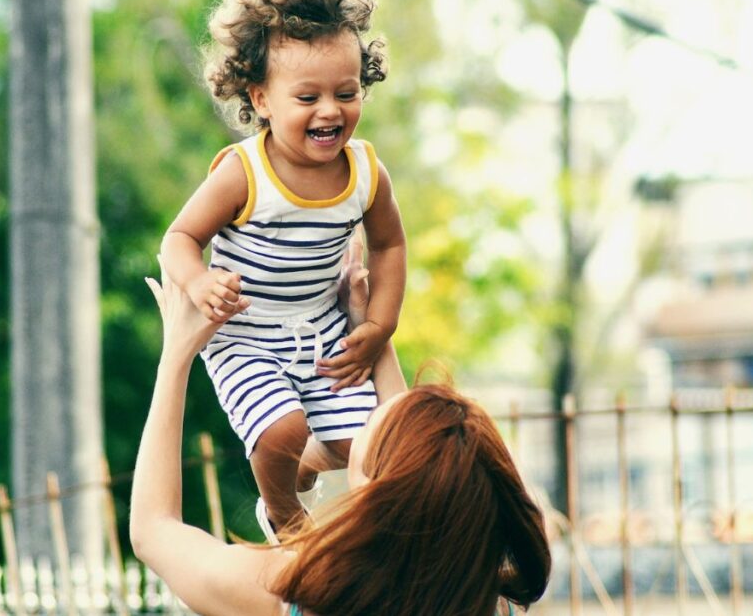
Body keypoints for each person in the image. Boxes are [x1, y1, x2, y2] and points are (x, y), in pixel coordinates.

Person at [130, 260, 552, 616]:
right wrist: (367, 328)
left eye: (368, 425)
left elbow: (153, 530)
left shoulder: (288, 593)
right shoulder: (490, 602)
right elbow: (420, 474)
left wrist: (177, 354)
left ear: (373, 491)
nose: (361, 418)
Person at [159, 0, 407, 541]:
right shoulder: (245, 173)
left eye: (346, 92)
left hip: (321, 329)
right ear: (261, 98)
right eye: (307, 97)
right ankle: (285, 518)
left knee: (362, 446)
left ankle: (304, 464)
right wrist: (198, 281)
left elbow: (391, 247)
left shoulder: (366, 172)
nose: (330, 110)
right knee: (279, 431)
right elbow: (178, 237)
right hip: (246, 333)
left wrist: (379, 326)